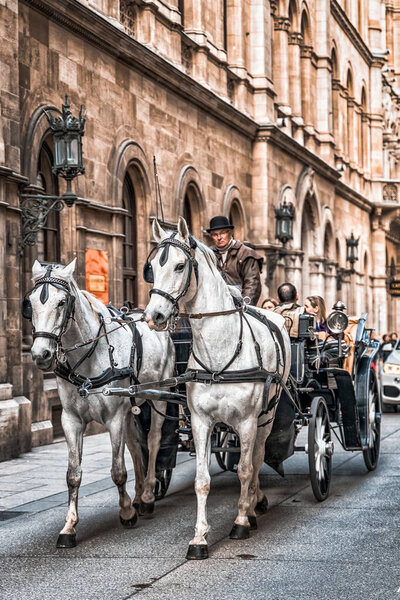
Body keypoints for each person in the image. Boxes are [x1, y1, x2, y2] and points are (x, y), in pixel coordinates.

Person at [207, 215, 263, 305]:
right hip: (216, 307)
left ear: (231, 233)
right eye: (215, 234)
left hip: (239, 306)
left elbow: (252, 284)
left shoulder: (246, 253)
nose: (219, 237)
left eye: (222, 233)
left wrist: (244, 307)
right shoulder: (209, 255)